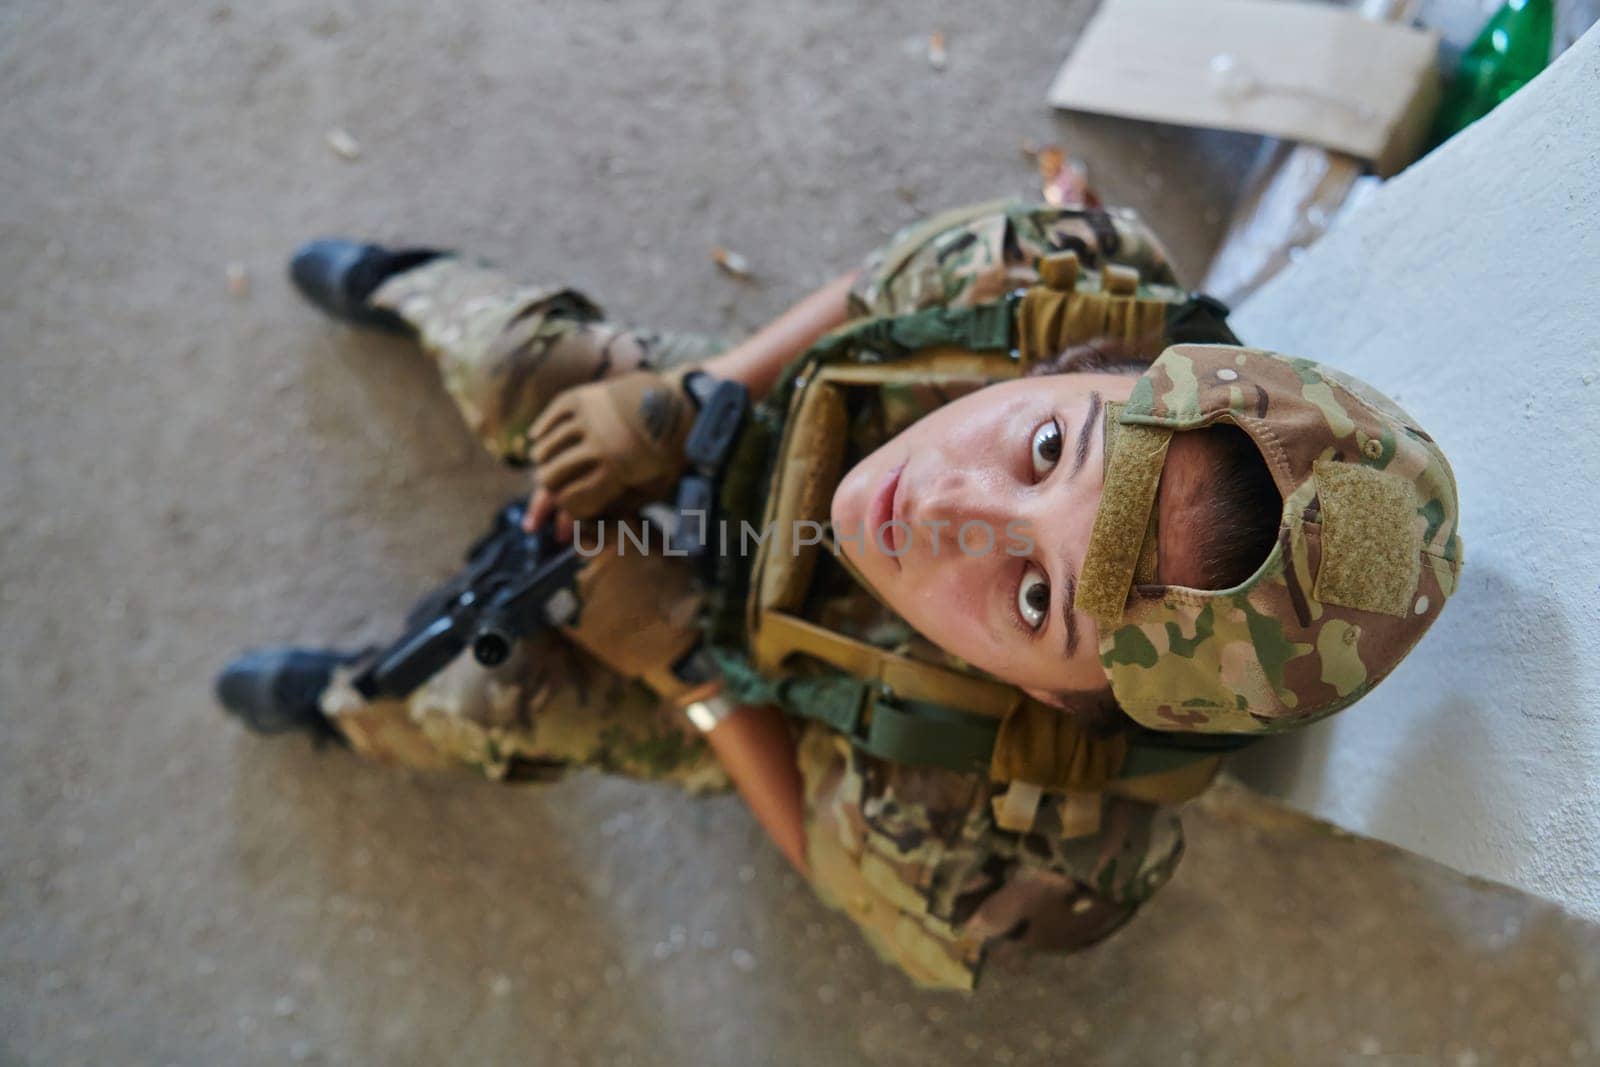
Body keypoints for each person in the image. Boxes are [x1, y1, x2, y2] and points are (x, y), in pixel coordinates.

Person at [216, 199, 1463, 990]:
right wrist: (688, 398)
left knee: (489, 693)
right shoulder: (1058, 275)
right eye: (1045, 452)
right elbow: (879, 290)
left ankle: (340, 707)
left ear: (1064, 701)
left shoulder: (1018, 839)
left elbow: (822, 848)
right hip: (760, 451)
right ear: (1088, 360)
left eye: (1035, 600)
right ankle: (407, 274)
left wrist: (681, 665)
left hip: (792, 692)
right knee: (530, 370)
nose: (952, 512)